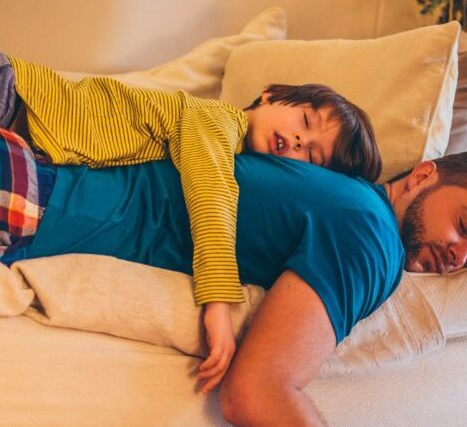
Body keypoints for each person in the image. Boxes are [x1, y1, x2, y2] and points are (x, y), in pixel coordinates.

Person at [0, 129, 467, 427]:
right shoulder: (371, 237)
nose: (458, 254)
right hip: (30, 206)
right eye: (465, 226)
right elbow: (256, 394)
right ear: (423, 175)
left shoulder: (342, 198)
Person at [0, 54, 380, 392]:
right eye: (305, 120)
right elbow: (210, 192)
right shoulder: (216, 120)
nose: (299, 140)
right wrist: (219, 302)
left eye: (312, 155)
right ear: (269, 95)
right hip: (17, 97)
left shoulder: (238, 159)